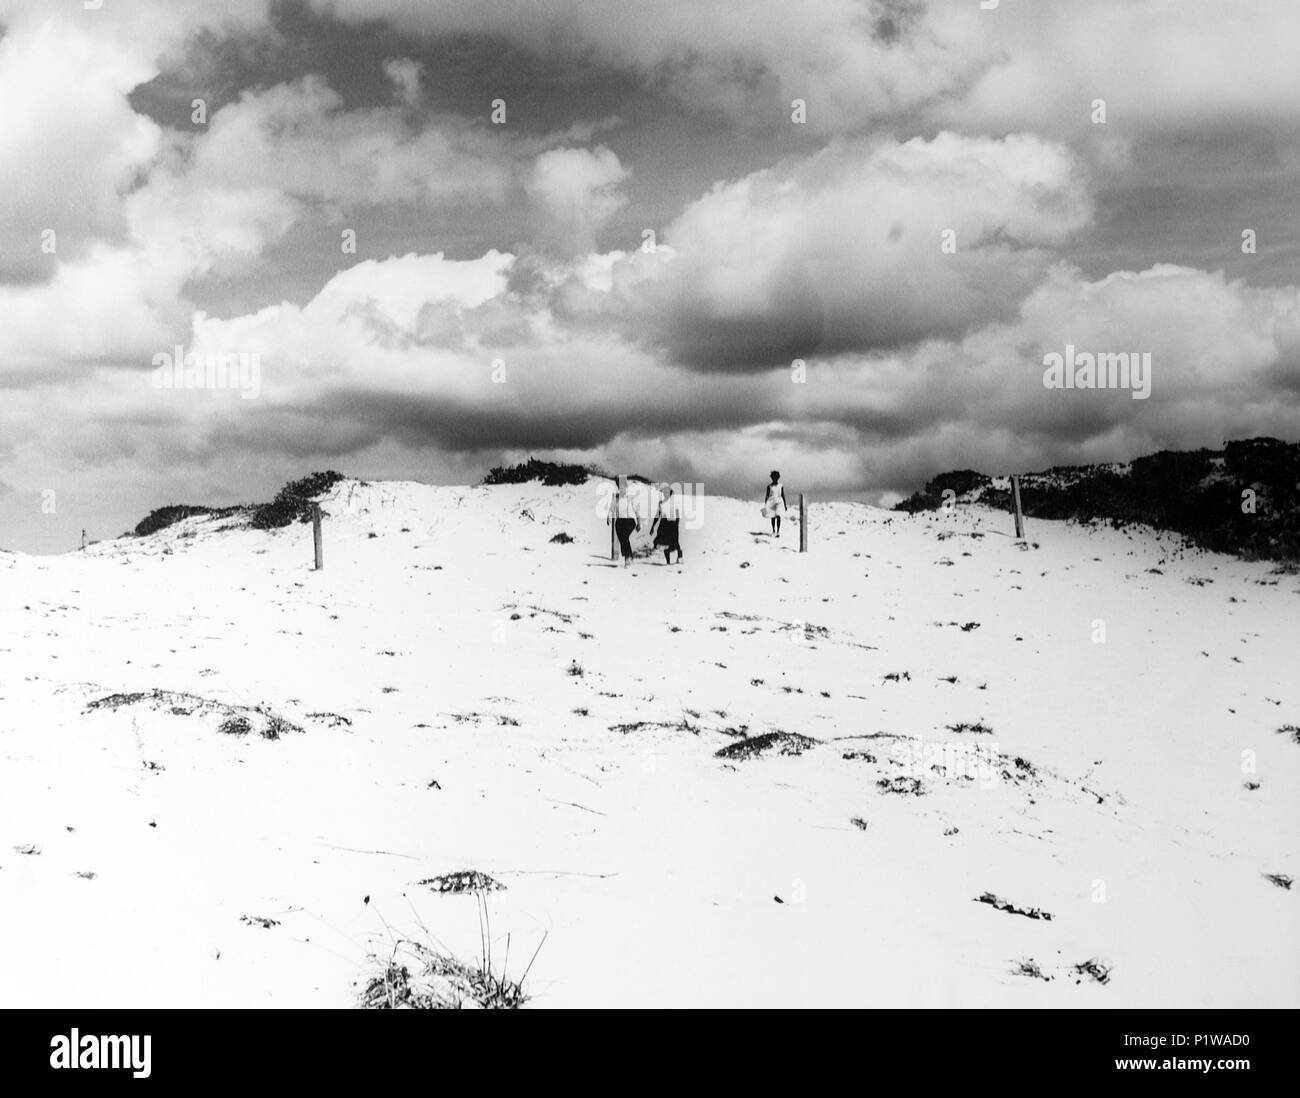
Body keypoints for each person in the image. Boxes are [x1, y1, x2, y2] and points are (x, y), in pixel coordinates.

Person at [608, 476, 640, 567]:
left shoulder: (630, 497)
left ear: (626, 487)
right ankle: (629, 556)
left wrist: (639, 523)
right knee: (622, 539)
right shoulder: (616, 497)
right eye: (619, 487)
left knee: (624, 537)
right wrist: (608, 517)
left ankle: (627, 558)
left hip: (630, 521)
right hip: (619, 521)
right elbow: (612, 509)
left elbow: (636, 510)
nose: (621, 489)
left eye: (623, 487)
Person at [650, 483, 683, 565]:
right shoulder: (660, 503)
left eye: (667, 493)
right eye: (664, 493)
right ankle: (668, 562)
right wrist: (653, 527)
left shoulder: (674, 503)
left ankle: (680, 556)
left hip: (672, 524)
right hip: (663, 524)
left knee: (674, 542)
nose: (666, 494)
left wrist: (677, 524)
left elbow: (677, 514)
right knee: (663, 543)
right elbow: (657, 515)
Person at [762, 470, 787, 536]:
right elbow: (767, 495)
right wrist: (765, 504)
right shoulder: (769, 486)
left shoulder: (780, 486)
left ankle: (778, 531)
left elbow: (783, 495)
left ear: (778, 477)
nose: (774, 478)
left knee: (778, 516)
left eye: (776, 477)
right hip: (772, 502)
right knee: (773, 516)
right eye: (773, 477)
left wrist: (785, 504)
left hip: (779, 502)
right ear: (771, 478)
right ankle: (773, 530)